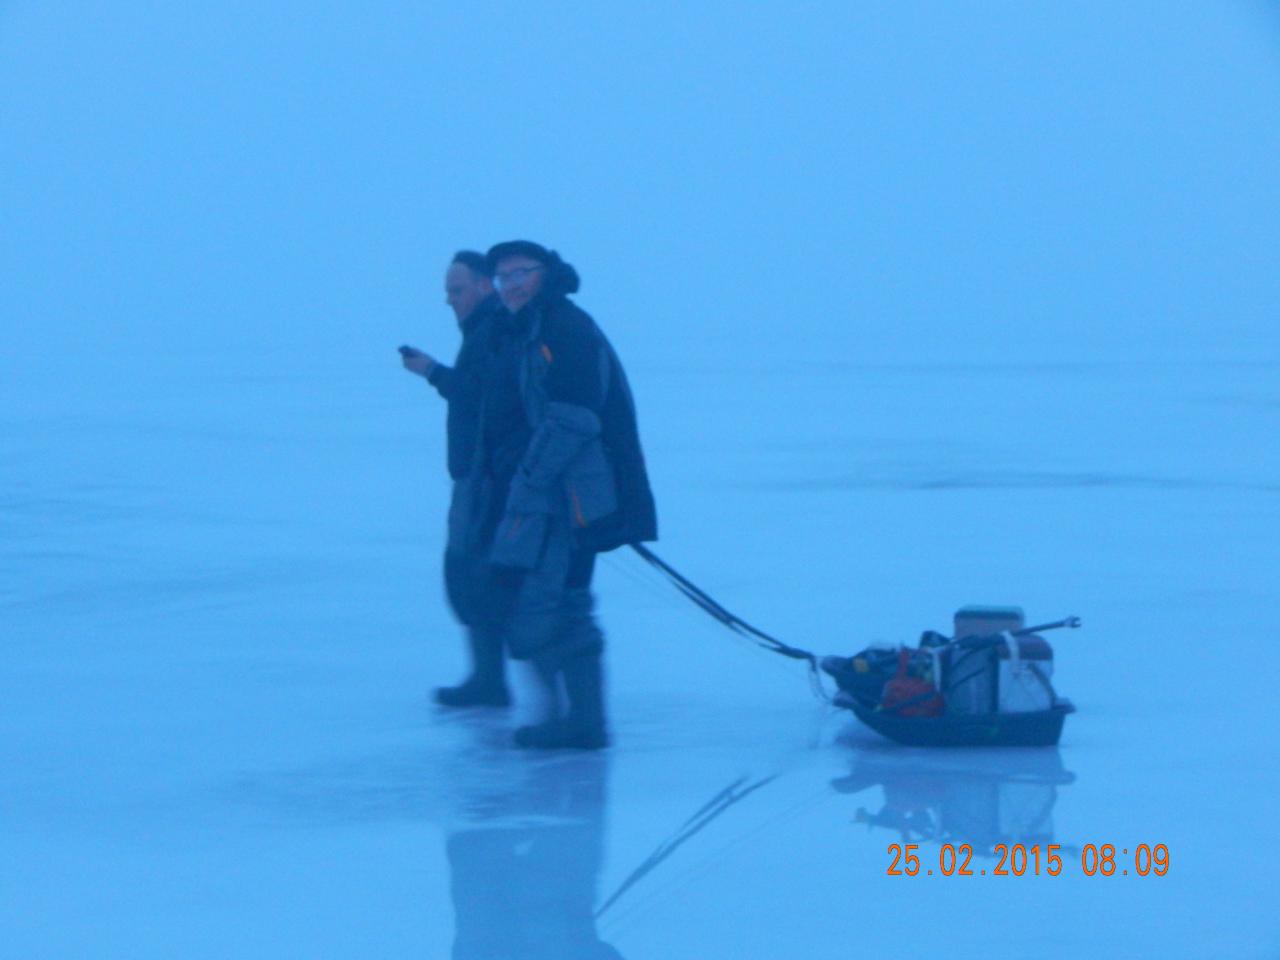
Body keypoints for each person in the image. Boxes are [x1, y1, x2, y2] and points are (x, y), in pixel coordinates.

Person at [450, 239, 657, 749]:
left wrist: (527, 480)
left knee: (562, 602)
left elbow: (573, 419)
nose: (513, 285)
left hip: (571, 497)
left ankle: (584, 723)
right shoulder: (525, 328)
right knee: (541, 600)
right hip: (542, 493)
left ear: (546, 272)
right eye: (504, 277)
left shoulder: (565, 327)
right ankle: (570, 716)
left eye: (522, 273)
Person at [400, 250, 511, 707]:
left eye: (457, 289)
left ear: (484, 286)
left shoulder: (494, 329)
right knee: (471, 575)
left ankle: (492, 681)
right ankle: (489, 678)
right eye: (448, 291)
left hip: (486, 478)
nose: (449, 299)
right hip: (477, 475)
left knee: (472, 572)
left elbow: (477, 394)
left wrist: (431, 371)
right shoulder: (485, 329)